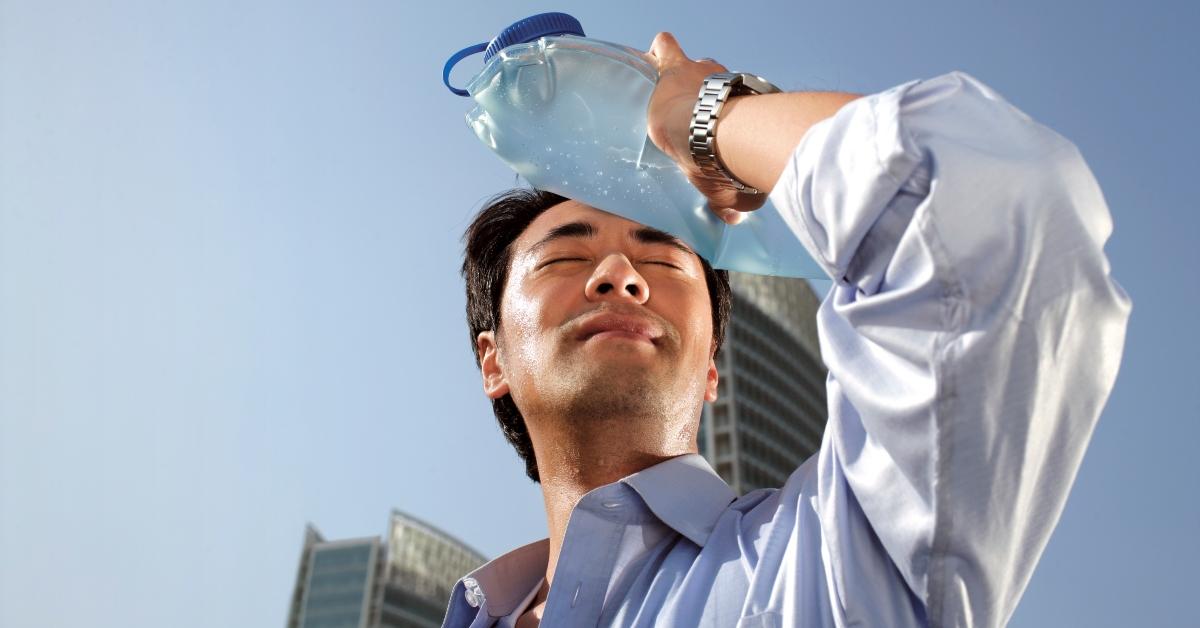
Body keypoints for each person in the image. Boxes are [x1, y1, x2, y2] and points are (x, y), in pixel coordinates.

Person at [444, 32, 1131, 628]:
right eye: (566, 255)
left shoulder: (818, 569)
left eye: (662, 257)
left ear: (713, 364)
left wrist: (710, 116)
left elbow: (987, 204)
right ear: (492, 360)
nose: (622, 272)